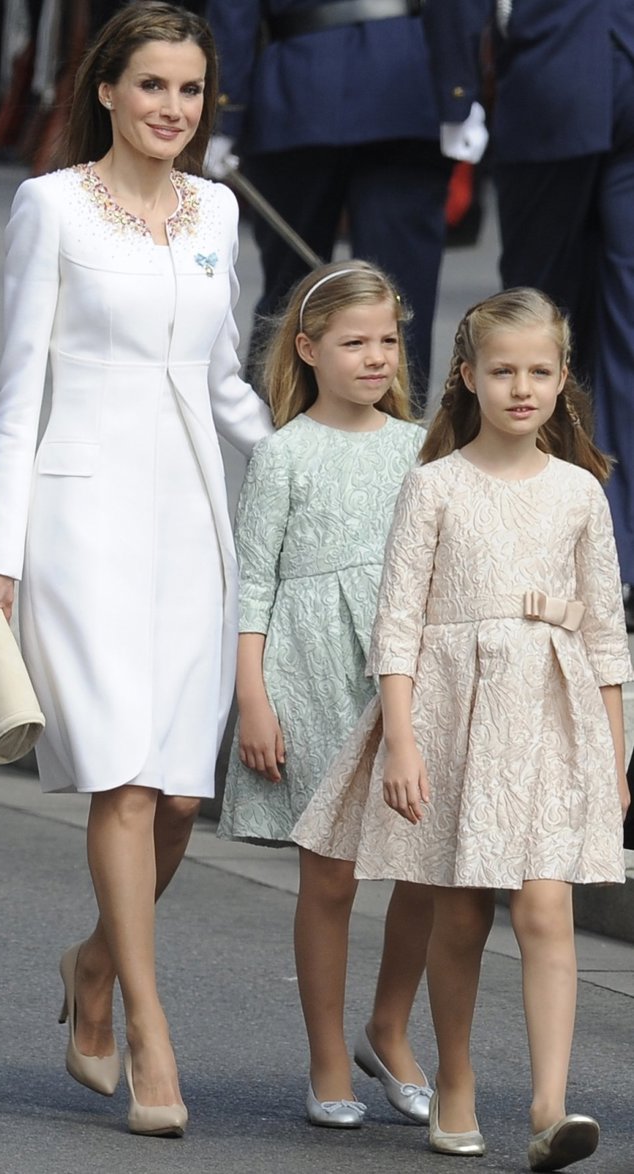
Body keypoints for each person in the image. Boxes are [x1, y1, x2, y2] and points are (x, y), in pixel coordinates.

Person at [0, 1, 272, 1138]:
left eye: (189, 91)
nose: (171, 110)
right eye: (151, 87)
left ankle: (93, 963)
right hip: (80, 521)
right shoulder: (50, 206)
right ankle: (149, 1028)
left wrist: (315, 463)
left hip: (192, 521)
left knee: (184, 794)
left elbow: (226, 379)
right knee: (126, 783)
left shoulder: (220, 212)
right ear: (104, 89)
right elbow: (21, 383)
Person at [294, 287, 632, 1168]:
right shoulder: (434, 486)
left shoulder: (581, 494)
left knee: (547, 906)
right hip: (453, 719)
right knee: (459, 913)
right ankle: (455, 1082)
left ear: (563, 380)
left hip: (553, 724)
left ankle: (552, 1108)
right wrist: (401, 740)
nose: (523, 388)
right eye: (504, 370)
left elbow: (605, 636)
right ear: (468, 377)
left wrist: (616, 752)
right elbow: (397, 625)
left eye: (541, 371)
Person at [218, 260, 434, 1128]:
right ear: (308, 350)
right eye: (354, 342)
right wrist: (253, 700)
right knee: (333, 879)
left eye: (387, 340)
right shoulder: (283, 453)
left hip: (404, 677)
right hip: (308, 671)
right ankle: (324, 1061)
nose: (376, 357)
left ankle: (389, 1026)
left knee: (425, 862)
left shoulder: (420, 447)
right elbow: (253, 589)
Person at [422, 0, 634, 628]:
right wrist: (458, 90)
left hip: (558, 75)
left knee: (568, 329)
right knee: (538, 332)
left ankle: (602, 552)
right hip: (557, 80)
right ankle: (554, 539)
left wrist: (459, 93)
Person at [204, 0, 453, 412]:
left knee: (292, 292)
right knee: (398, 297)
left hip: (299, 86)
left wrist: (225, 110)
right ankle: (393, 452)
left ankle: (275, 445)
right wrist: (460, 92)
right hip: (404, 82)